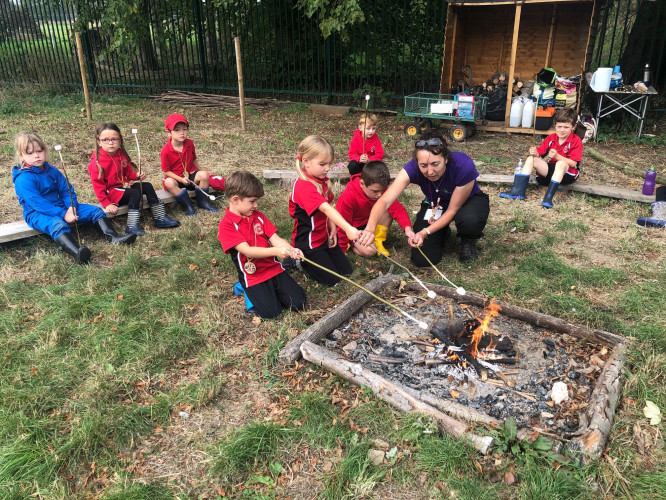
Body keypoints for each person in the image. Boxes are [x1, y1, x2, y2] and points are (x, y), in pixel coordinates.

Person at [357, 129, 490, 264]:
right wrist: (370, 229)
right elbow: (385, 200)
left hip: (467, 202)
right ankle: (442, 232)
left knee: (469, 220)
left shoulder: (463, 165)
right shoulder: (412, 168)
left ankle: (468, 240)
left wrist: (425, 232)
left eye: (435, 164)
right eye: (423, 166)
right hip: (436, 204)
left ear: (446, 159)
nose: (430, 171)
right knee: (422, 260)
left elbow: (452, 210)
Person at [12, 132, 136, 264]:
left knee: (95, 211)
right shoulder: (24, 179)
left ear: (45, 151)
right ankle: (77, 252)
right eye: (30, 153)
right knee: (57, 224)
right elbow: (38, 203)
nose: (36, 155)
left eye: (39, 151)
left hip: (62, 206)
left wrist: (71, 207)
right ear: (21, 156)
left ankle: (113, 237)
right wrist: (63, 214)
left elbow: (66, 190)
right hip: (37, 212)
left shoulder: (51, 170)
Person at [218, 171, 306, 319]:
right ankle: (243, 287)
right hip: (253, 276)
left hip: (273, 268)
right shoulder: (227, 225)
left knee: (299, 303)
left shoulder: (259, 217)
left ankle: (269, 290)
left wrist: (291, 249)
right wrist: (277, 251)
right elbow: (248, 251)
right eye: (252, 201)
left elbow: (275, 238)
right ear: (235, 199)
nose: (256, 205)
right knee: (271, 313)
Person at [290, 135, 360, 285]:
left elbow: (328, 207)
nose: (327, 168)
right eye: (322, 164)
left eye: (329, 163)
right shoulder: (304, 186)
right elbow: (326, 208)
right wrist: (347, 228)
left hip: (322, 238)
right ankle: (298, 261)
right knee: (333, 281)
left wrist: (332, 227)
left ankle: (317, 258)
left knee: (346, 271)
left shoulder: (321, 180)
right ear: (306, 161)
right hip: (307, 244)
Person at [88, 123, 180, 236]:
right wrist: (106, 204)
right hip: (111, 193)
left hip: (122, 188)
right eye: (105, 140)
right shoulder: (97, 163)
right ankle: (131, 226)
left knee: (147, 186)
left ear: (120, 140)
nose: (110, 143)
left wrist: (136, 175)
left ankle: (160, 218)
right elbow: (97, 186)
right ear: (99, 142)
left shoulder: (121, 154)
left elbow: (127, 174)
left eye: (114, 139)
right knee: (135, 193)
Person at [500, 107, 582, 208]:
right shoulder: (551, 138)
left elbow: (573, 163)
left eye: (566, 127)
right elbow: (539, 154)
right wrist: (534, 152)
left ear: (573, 127)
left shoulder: (576, 140)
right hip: (551, 171)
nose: (562, 130)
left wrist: (558, 156)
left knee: (561, 163)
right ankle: (518, 191)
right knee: (531, 159)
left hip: (568, 174)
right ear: (555, 125)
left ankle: (548, 198)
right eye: (559, 126)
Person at [336, 160, 414, 258]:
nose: (380, 195)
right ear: (362, 183)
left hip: (370, 224)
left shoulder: (380, 190)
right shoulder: (348, 196)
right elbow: (343, 223)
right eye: (375, 191)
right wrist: (342, 249)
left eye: (382, 190)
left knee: (389, 209)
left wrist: (407, 228)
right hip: (353, 228)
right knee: (370, 252)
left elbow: (397, 209)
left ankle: (378, 240)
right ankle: (352, 244)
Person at [161, 113, 223, 215]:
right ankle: (189, 206)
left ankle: (203, 202)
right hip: (176, 178)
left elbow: (193, 159)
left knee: (204, 175)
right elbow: (166, 171)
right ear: (168, 133)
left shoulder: (189, 144)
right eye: (177, 130)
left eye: (184, 129)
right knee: (169, 183)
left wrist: (202, 170)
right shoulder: (166, 150)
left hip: (189, 176)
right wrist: (181, 179)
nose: (182, 133)